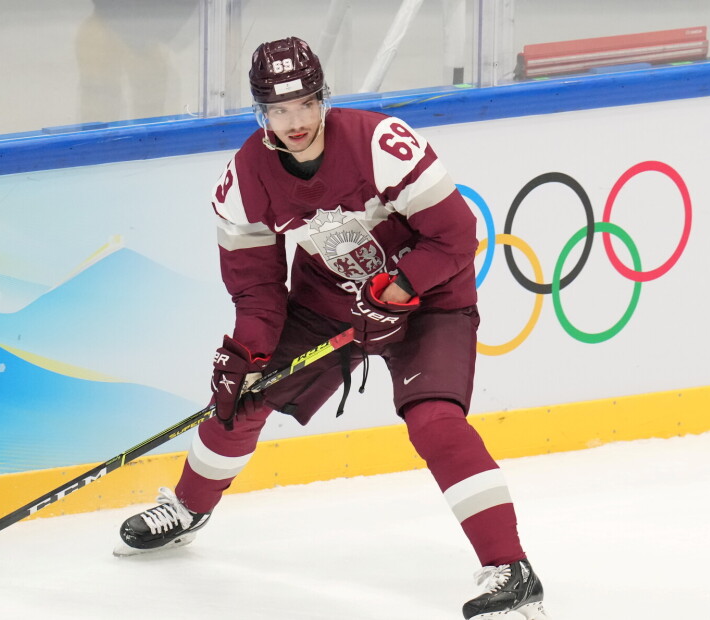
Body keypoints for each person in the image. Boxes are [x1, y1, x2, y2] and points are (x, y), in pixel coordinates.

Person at [115, 36, 548, 620]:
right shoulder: (245, 178)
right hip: (330, 302)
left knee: (434, 420)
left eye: (304, 104)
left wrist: (397, 290)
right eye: (278, 109)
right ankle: (189, 509)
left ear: (323, 98)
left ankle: (511, 568)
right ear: (261, 112)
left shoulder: (380, 143)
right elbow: (257, 289)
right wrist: (249, 354)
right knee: (244, 398)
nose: (294, 122)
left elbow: (453, 233)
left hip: (429, 299)